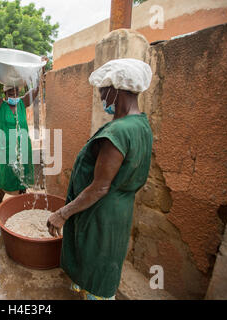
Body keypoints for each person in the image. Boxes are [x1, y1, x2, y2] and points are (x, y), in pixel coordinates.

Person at [46, 58, 153, 300]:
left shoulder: (118, 132)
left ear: (116, 89)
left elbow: (100, 187)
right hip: (118, 210)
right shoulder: (140, 125)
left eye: (103, 91)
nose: (101, 96)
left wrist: (62, 213)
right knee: (102, 262)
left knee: (96, 270)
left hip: (100, 214)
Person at [0, 50, 47, 206]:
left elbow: (36, 89)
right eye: (11, 92)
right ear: (5, 94)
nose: (14, 94)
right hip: (4, 148)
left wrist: (41, 69)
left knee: (23, 172)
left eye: (16, 91)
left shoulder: (23, 103)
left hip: (23, 147)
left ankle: (21, 198)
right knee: (4, 174)